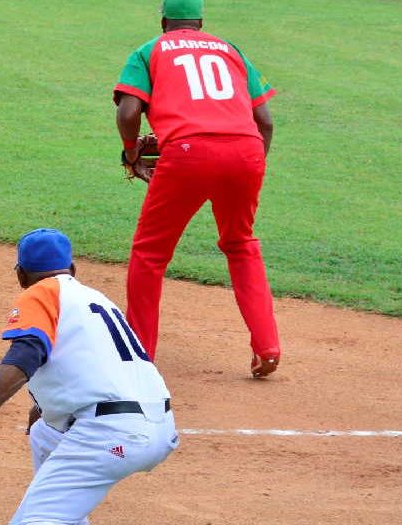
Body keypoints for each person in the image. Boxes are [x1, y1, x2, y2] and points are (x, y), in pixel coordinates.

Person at [0, 228, 178, 524]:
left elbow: (26, 353)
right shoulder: (97, 299)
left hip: (111, 434)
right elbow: (94, 362)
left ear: (21, 275)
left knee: (33, 521)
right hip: (160, 428)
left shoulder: (40, 292)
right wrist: (46, 406)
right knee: (44, 434)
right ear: (72, 269)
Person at [114, 0, 281, 378]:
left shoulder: (149, 50)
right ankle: (267, 346)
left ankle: (140, 356)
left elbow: (127, 113)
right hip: (247, 152)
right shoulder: (230, 50)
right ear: (201, 22)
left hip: (188, 154)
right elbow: (265, 122)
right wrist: (250, 164)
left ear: (163, 22)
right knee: (241, 244)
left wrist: (130, 153)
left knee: (150, 254)